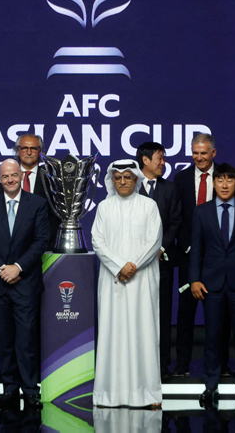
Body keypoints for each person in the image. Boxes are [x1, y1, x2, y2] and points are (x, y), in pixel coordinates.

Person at [0, 158, 50, 411]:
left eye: (14, 175)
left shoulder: (38, 204)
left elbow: (41, 240)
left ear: (21, 176)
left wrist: (17, 267)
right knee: (4, 339)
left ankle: (30, 390)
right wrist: (1, 269)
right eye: (5, 176)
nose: (9, 180)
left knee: (27, 339)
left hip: (25, 282)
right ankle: (9, 390)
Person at [92, 160, 163, 408]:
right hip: (113, 281)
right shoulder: (104, 207)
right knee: (113, 333)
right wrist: (119, 266)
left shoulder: (149, 206)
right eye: (118, 177)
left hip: (142, 280)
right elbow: (97, 242)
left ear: (136, 179)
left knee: (143, 332)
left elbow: (154, 241)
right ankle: (108, 396)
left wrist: (132, 266)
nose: (122, 181)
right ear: (112, 180)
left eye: (127, 177)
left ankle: (148, 395)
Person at [190, 163, 235, 409]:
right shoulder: (201, 212)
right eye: (219, 180)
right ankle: (210, 387)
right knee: (212, 338)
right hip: (211, 284)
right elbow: (197, 250)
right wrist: (194, 279)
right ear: (213, 183)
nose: (223, 184)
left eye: (229, 180)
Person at [172, 133, 218, 377]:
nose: (199, 157)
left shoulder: (225, 177)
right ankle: (182, 365)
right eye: (195, 152)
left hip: (218, 259)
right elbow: (177, 217)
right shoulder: (180, 179)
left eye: (203, 152)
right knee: (185, 315)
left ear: (213, 153)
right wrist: (190, 246)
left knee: (219, 316)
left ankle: (220, 366)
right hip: (188, 256)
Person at [135, 141, 181, 379]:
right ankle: (135, 366)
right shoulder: (128, 186)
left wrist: (160, 248)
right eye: (160, 158)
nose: (163, 163)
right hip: (133, 266)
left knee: (161, 316)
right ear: (145, 160)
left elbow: (175, 222)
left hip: (162, 262)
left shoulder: (170, 189)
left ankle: (161, 367)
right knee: (135, 316)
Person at [0, 134, 55, 239]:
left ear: (40, 152)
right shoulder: (6, 178)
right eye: (25, 148)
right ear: (18, 151)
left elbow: (54, 217)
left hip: (43, 243)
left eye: (33, 149)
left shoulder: (50, 178)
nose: (29, 152)